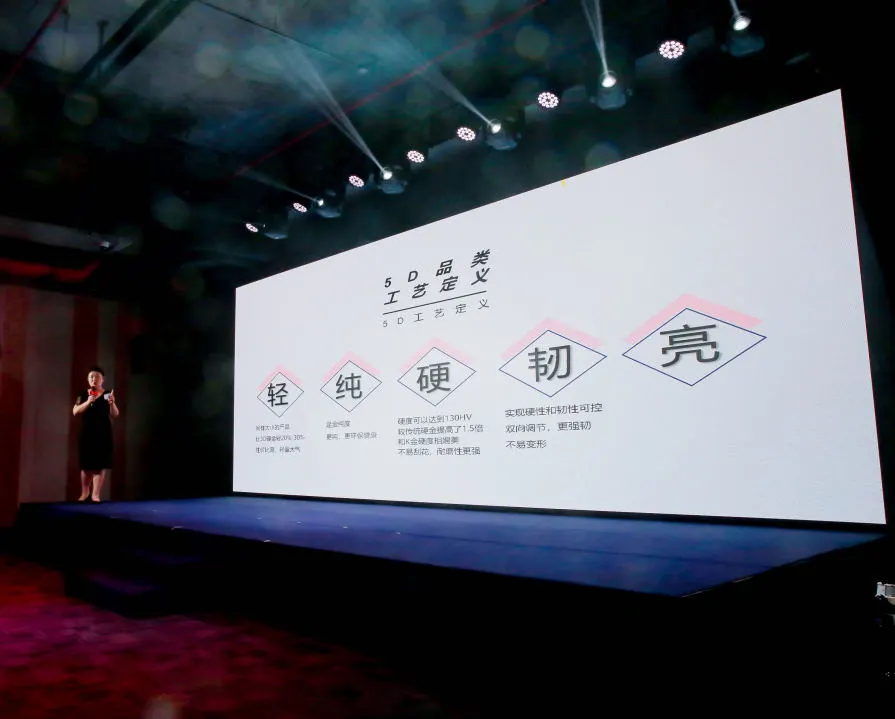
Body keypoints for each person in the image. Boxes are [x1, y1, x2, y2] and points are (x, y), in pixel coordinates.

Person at [72, 366, 119, 503]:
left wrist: (112, 404)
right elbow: (75, 411)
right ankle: (84, 492)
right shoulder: (83, 394)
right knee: (86, 465)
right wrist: (89, 401)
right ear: (88, 380)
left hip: (103, 433)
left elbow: (115, 414)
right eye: (91, 377)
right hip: (87, 432)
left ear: (102, 379)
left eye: (97, 377)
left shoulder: (107, 394)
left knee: (100, 464)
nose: (94, 379)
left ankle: (95, 494)